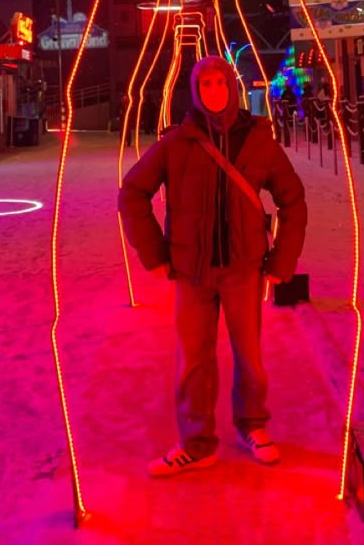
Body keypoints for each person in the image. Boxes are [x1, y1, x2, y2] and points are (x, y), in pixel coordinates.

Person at [118, 55, 307, 478]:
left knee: (250, 356)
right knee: (193, 361)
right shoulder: (177, 142)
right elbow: (132, 193)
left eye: (221, 84)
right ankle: (197, 442)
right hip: (192, 272)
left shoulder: (258, 140)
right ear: (196, 91)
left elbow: (292, 200)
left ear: (232, 88)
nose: (214, 92)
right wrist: (154, 255)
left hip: (243, 269)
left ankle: (253, 426)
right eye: (206, 85)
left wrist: (282, 260)